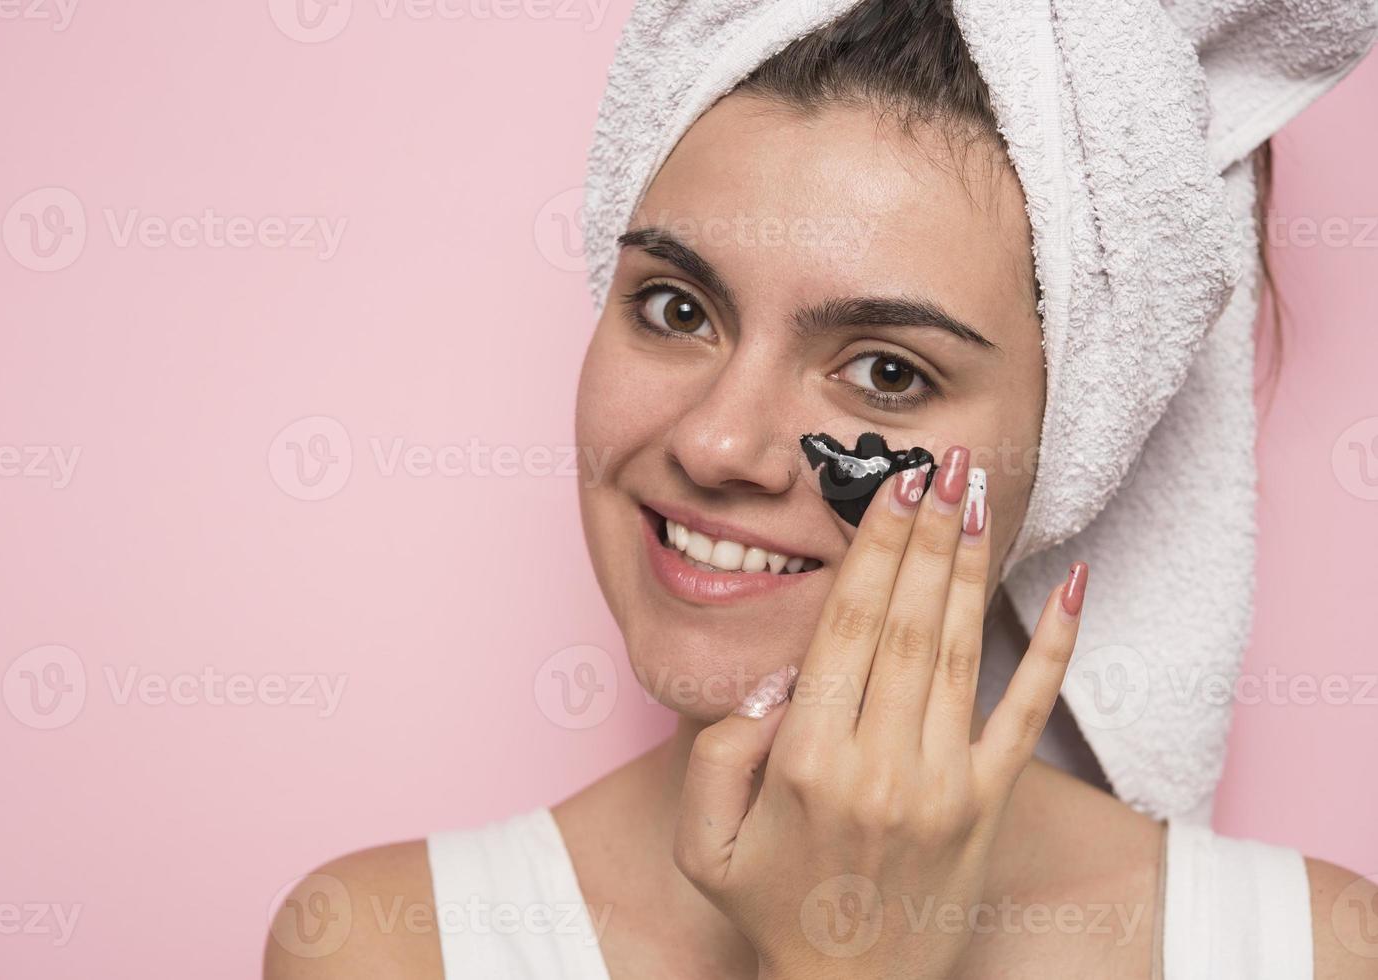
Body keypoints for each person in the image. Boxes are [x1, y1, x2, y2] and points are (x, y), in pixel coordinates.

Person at [264, 1, 1378, 976]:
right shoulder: (387, 944)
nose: (716, 442)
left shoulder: (1314, 950)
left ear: (1068, 446)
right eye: (676, 308)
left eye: (887, 372)